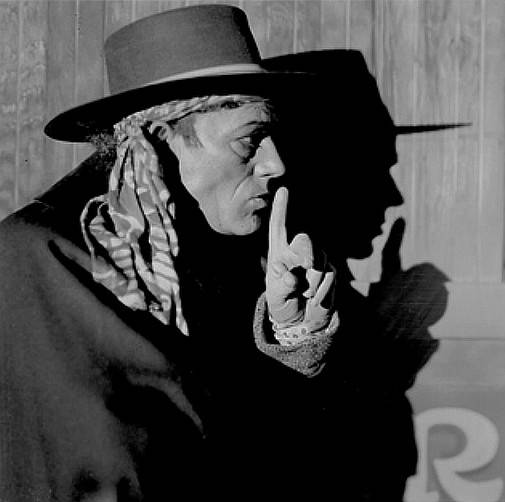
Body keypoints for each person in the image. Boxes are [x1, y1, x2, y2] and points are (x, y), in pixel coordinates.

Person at [0, 5, 341, 501]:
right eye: (250, 140)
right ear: (161, 142)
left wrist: (291, 333)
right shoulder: (44, 258)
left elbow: (253, 453)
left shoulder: (222, 253)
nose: (276, 164)